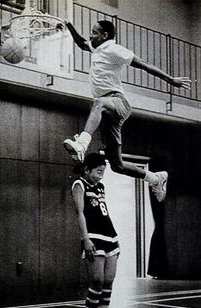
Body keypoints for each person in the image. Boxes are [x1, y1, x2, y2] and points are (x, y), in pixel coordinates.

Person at [63, 20, 191, 202]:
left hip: (117, 102)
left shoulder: (115, 49)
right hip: (107, 114)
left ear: (104, 35)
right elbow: (82, 43)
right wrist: (69, 25)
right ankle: (155, 178)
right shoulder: (97, 48)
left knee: (98, 102)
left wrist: (171, 80)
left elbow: (144, 64)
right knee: (117, 166)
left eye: (94, 32)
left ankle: (82, 143)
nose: (91, 35)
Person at [71, 153, 119, 308]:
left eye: (103, 171)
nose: (101, 174)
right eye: (98, 171)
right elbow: (80, 213)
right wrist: (86, 239)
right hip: (93, 237)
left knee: (108, 281)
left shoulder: (101, 187)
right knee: (97, 281)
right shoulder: (79, 184)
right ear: (87, 169)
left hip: (111, 237)